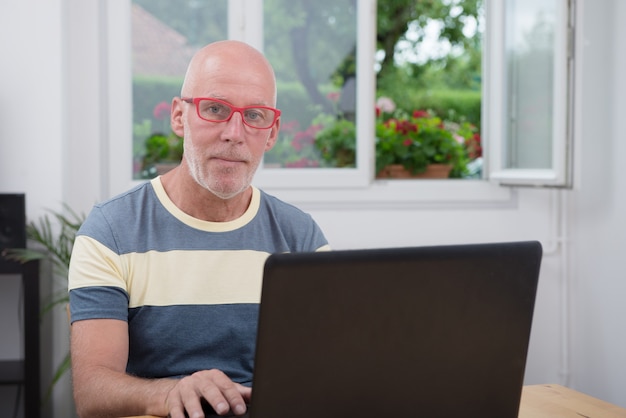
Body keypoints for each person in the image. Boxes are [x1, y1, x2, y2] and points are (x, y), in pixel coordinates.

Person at [68, 40, 330, 418]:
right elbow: (92, 391)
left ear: (272, 133)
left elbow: (324, 370)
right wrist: (172, 392)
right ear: (179, 116)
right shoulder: (110, 231)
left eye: (254, 116)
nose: (234, 133)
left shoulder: (301, 237)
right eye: (215, 109)